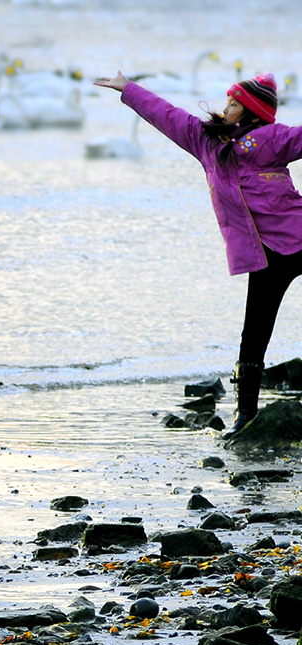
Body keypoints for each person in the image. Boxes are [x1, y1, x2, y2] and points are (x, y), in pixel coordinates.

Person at [94, 70, 302, 438]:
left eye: (234, 103)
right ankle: (245, 415)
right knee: (254, 333)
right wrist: (129, 89)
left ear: (252, 111)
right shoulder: (207, 142)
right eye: (227, 101)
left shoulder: (272, 138)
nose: (226, 108)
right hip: (264, 255)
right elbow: (168, 115)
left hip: (299, 239)